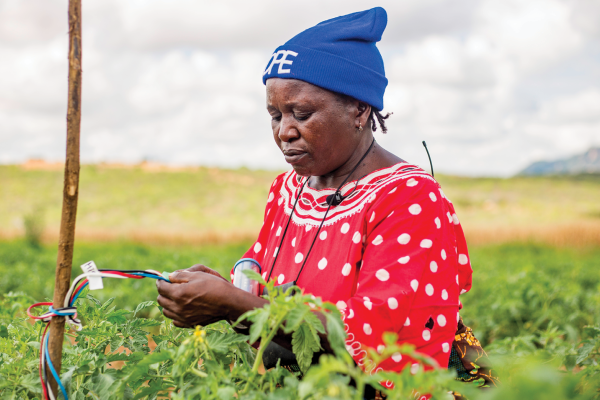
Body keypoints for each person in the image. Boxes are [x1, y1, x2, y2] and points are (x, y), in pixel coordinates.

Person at [157, 7, 486, 397]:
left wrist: (232, 304)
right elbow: (263, 281)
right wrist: (226, 292)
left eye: (302, 113)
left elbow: (370, 334)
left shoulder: (409, 199)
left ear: (359, 109)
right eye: (275, 115)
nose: (285, 132)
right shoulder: (289, 189)